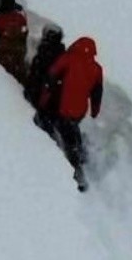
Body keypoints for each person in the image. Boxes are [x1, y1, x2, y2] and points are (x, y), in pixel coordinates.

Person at [45, 36, 104, 192]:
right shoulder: (96, 68)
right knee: (71, 128)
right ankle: (83, 153)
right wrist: (95, 111)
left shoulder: (67, 59)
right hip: (79, 111)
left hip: (63, 107)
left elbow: (51, 76)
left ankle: (79, 176)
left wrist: (45, 98)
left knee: (66, 138)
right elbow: (97, 92)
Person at [25, 24, 66, 133]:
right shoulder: (63, 56)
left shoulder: (43, 54)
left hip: (44, 97)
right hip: (58, 99)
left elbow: (35, 76)